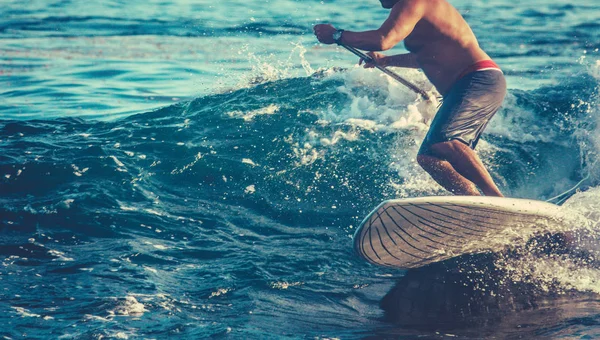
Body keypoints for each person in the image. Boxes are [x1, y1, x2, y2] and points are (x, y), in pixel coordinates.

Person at [313, 0, 506, 197]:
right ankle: (476, 203)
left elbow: (383, 40)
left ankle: (496, 199)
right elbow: (427, 56)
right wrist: (387, 61)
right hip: (470, 84)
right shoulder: (419, 10)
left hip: (478, 80)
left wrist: (337, 35)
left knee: (445, 141)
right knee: (429, 158)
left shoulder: (413, 1)